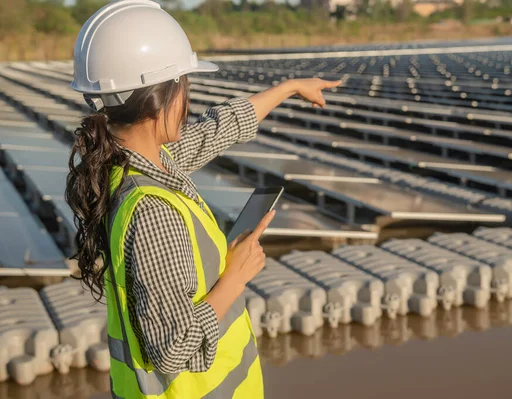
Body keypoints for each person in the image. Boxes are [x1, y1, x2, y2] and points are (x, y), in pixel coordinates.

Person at [65, 1, 340, 398]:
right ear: (162, 96)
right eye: (184, 85)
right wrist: (235, 276)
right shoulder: (152, 211)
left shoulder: (131, 163)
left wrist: (288, 88)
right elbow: (172, 349)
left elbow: (218, 129)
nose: (188, 101)